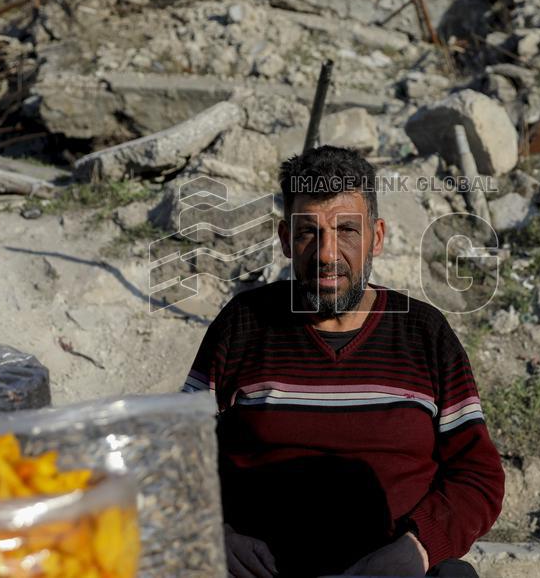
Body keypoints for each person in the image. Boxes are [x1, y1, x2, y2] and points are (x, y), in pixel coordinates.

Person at [182, 145, 505, 578]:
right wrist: (213, 534)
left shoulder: (424, 334)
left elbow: (477, 475)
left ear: (377, 237)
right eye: (308, 232)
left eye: (347, 231)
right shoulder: (243, 326)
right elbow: (175, 454)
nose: (327, 254)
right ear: (284, 239)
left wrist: (420, 548)